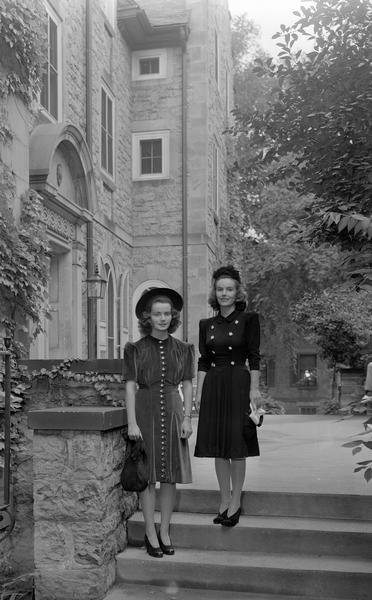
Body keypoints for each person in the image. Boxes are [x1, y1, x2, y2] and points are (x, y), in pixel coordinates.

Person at [123, 288, 194, 558]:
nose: (162, 318)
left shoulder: (184, 349)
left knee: (169, 476)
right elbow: (130, 387)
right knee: (147, 476)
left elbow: (187, 385)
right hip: (145, 411)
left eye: (167, 314)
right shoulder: (135, 349)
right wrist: (132, 422)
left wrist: (187, 417)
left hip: (174, 411)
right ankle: (150, 533)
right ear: (148, 318)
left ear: (172, 316)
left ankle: (165, 531)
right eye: (157, 314)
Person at [194, 265, 262, 527]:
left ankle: (236, 501)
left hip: (239, 383)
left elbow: (254, 356)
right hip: (214, 384)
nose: (224, 293)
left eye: (229, 289)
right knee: (218, 448)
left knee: (237, 445)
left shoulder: (249, 319)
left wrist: (254, 389)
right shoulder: (206, 324)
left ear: (237, 292)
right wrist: (199, 393)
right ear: (215, 292)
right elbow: (203, 361)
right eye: (220, 289)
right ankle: (223, 499)